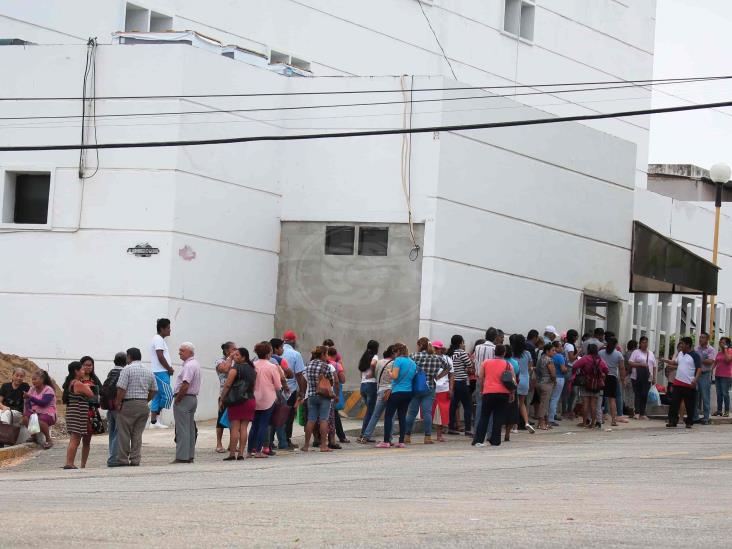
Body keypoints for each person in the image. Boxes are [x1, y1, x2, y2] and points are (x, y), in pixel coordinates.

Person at [114, 348, 157, 467]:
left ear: (129, 357)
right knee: (137, 434)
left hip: (128, 404)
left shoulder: (126, 369)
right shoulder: (148, 371)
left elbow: (121, 388)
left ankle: (123, 459)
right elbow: (154, 390)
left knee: (124, 433)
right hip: (143, 405)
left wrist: (118, 402)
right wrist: (145, 400)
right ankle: (135, 460)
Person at [405, 337, 449, 444]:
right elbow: (447, 367)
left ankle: (407, 436)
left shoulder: (414, 356)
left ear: (420, 346)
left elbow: (408, 367)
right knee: (427, 412)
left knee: (411, 412)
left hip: (416, 387)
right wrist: (438, 376)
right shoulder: (438, 358)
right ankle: (427, 437)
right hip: (430, 387)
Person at [472, 344, 515, 447]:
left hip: (488, 392)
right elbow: (512, 381)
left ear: (494, 352)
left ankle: (478, 440)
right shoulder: (508, 365)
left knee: (484, 416)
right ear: (504, 353)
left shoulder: (486, 363)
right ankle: (495, 440)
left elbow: (481, 378)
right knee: (498, 417)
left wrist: (482, 390)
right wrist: (512, 393)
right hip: (503, 393)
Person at [376, 343, 416, 449]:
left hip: (397, 392)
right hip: (408, 393)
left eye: (394, 352)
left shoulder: (398, 360)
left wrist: (389, 371)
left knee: (388, 416)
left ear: (397, 351)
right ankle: (401, 441)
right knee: (402, 416)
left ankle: (386, 441)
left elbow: (395, 376)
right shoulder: (412, 362)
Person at [220, 348, 257, 460]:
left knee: (235, 428)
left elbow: (227, 385)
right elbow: (253, 387)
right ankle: (241, 454)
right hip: (250, 400)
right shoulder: (252, 369)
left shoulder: (235, 369)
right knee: (244, 428)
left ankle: (232, 454)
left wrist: (222, 399)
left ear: (243, 357)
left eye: (237, 355)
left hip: (236, 401)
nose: (234, 357)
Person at [172, 342, 201, 464]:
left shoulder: (189, 365)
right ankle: (189, 455)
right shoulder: (195, 364)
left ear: (190, 352)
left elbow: (185, 384)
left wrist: (178, 398)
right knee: (189, 428)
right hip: (191, 398)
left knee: (182, 428)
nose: (179, 352)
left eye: (182, 350)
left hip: (185, 398)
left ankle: (182, 457)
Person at [63, 361, 95, 469]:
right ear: (76, 371)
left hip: (73, 412)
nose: (84, 371)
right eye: (81, 369)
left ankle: (69, 462)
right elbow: (90, 394)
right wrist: (88, 386)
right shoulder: (77, 383)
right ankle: (69, 463)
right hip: (78, 413)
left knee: (74, 438)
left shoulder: (70, 383)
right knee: (75, 438)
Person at [360, 345, 396, 443]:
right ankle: (389, 438)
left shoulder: (379, 362)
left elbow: (374, 374)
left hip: (380, 390)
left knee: (375, 415)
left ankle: (366, 436)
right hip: (390, 391)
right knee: (391, 416)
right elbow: (395, 377)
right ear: (393, 353)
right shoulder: (394, 363)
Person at [303, 346, 335, 452]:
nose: (327, 357)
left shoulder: (308, 365)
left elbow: (305, 379)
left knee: (311, 419)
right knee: (323, 420)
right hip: (324, 396)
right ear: (322, 355)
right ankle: (323, 446)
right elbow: (331, 381)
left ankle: (306, 445)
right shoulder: (325, 366)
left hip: (311, 395)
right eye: (326, 354)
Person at [666, 337, 701, 429]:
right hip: (677, 382)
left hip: (689, 383)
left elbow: (699, 369)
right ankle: (672, 421)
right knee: (674, 403)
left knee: (689, 404)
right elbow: (675, 362)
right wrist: (666, 361)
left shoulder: (695, 355)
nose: (681, 346)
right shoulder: (680, 354)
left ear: (688, 345)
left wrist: (695, 380)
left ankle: (689, 422)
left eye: (682, 344)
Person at [572, 344, 609, 429]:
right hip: (597, 384)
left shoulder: (585, 358)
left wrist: (579, 373)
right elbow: (606, 370)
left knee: (585, 404)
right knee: (593, 405)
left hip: (586, 383)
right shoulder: (600, 360)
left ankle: (584, 422)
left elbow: (575, 366)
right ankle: (593, 423)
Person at [281, 330, 307, 448]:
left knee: (275, 416)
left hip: (276, 390)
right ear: (294, 341)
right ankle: (286, 440)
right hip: (290, 390)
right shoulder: (296, 354)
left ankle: (270, 442)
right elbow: (299, 375)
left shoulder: (276, 352)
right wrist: (302, 392)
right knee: (289, 416)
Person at [102, 352, 127, 466]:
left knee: (112, 433)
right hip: (118, 407)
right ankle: (113, 459)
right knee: (118, 433)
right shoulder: (124, 372)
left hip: (109, 407)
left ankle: (111, 456)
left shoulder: (111, 372)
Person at [270, 338, 294, 451]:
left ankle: (268, 443)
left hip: (263, 394)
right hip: (277, 392)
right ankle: (283, 443)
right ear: (275, 348)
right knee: (280, 418)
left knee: (267, 419)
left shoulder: (256, 359)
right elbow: (289, 374)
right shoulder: (279, 360)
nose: (282, 350)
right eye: (281, 347)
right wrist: (286, 386)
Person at [447, 335, 474, 437]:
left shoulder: (449, 353)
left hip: (453, 382)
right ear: (460, 343)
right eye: (463, 342)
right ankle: (468, 429)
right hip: (462, 382)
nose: (464, 344)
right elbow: (470, 365)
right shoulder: (461, 353)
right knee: (467, 405)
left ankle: (451, 427)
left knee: (453, 406)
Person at [22, 369, 56, 449]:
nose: (33, 381)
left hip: (48, 413)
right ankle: (33, 436)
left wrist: (30, 397)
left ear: (42, 379)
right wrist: (28, 407)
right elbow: (28, 403)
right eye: (32, 379)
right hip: (35, 412)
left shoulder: (48, 389)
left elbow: (43, 403)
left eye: (35, 379)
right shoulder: (32, 389)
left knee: (40, 420)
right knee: (25, 418)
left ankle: (48, 440)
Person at [150, 318, 174, 428]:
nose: (170, 330)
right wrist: (169, 368)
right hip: (160, 372)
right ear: (162, 329)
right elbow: (160, 356)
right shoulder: (158, 339)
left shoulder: (159, 339)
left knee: (158, 396)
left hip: (161, 371)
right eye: (168, 328)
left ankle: (154, 422)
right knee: (168, 396)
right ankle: (155, 416)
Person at [509, 334, 535, 434]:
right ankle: (526, 422)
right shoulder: (527, 353)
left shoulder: (511, 354)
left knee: (514, 403)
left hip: (515, 379)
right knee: (522, 404)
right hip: (525, 379)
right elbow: (530, 368)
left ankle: (515, 426)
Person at [215, 341, 236, 453]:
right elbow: (224, 369)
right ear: (227, 351)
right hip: (224, 394)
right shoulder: (220, 361)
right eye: (234, 349)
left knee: (234, 420)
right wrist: (230, 358)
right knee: (220, 420)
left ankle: (232, 444)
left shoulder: (236, 361)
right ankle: (219, 443)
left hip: (235, 394)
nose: (236, 351)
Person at [628, 336, 656, 420]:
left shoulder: (651, 353)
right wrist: (640, 364)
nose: (645, 344)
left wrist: (654, 377)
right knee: (638, 394)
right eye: (643, 342)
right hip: (636, 376)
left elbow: (654, 366)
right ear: (640, 343)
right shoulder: (636, 352)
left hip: (647, 377)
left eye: (646, 342)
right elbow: (630, 362)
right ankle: (637, 412)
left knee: (644, 394)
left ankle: (642, 413)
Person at [600, 337, 627, 426]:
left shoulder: (600, 353)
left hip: (602, 377)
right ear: (616, 344)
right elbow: (622, 368)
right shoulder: (618, 354)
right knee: (612, 399)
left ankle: (600, 418)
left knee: (600, 398)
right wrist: (623, 379)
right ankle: (613, 421)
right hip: (612, 377)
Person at [357, 340, 379, 441]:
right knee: (370, 412)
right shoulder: (375, 356)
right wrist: (373, 373)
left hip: (363, 385)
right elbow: (374, 364)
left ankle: (364, 434)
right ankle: (364, 434)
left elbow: (361, 371)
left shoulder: (364, 356)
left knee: (369, 411)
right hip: (371, 385)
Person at [431, 341, 453, 442]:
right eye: (434, 348)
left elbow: (451, 375)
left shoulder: (447, 359)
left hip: (443, 389)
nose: (435, 350)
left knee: (440, 413)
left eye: (437, 348)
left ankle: (439, 435)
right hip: (431, 388)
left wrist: (451, 389)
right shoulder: (430, 358)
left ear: (441, 349)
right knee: (431, 412)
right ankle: (430, 434)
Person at [0, 368, 29, 439]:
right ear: (12, 376)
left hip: (18, 413)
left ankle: (3, 439)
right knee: (4, 413)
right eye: (17, 375)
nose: (19, 378)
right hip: (4, 409)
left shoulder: (25, 386)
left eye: (21, 376)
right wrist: (3, 407)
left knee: (6, 414)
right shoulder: (5, 386)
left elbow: (28, 402)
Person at [694, 332, 715, 425]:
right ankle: (695, 417)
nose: (700, 339)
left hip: (705, 375)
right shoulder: (696, 349)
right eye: (700, 337)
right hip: (696, 374)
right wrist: (702, 359)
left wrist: (699, 359)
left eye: (702, 337)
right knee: (695, 396)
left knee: (705, 396)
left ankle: (706, 418)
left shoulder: (711, 350)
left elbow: (710, 361)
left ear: (707, 339)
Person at [534, 344, 557, 431]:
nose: (554, 352)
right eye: (553, 350)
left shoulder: (540, 359)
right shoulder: (549, 360)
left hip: (539, 383)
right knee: (544, 404)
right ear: (547, 351)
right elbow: (553, 373)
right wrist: (554, 381)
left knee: (544, 402)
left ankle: (546, 422)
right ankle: (541, 422)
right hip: (547, 383)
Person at [503, 345, 520, 442]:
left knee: (500, 411)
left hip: (500, 389)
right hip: (512, 389)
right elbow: (517, 376)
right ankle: (507, 433)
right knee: (511, 412)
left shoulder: (499, 362)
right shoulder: (515, 363)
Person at [548, 340, 567, 426]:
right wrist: (567, 369)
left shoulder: (549, 356)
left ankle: (553, 414)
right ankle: (551, 418)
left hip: (550, 378)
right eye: (560, 346)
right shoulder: (559, 356)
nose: (562, 348)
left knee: (552, 397)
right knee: (555, 398)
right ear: (556, 348)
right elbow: (563, 369)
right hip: (559, 378)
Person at [561, 329, 579, 420]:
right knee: (569, 391)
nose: (577, 338)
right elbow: (572, 358)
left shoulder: (565, 345)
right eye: (576, 336)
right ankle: (567, 411)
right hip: (570, 369)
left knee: (568, 391)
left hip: (568, 368)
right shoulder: (571, 346)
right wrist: (578, 352)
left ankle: (567, 410)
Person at [714, 337, 732, 416]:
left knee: (725, 393)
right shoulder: (719, 353)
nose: (720, 343)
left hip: (726, 376)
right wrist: (711, 370)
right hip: (718, 375)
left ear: (727, 344)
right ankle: (719, 410)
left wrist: (725, 349)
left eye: (722, 342)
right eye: (720, 342)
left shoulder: (730, 351)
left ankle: (727, 411)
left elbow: (728, 360)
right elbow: (715, 362)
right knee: (719, 393)